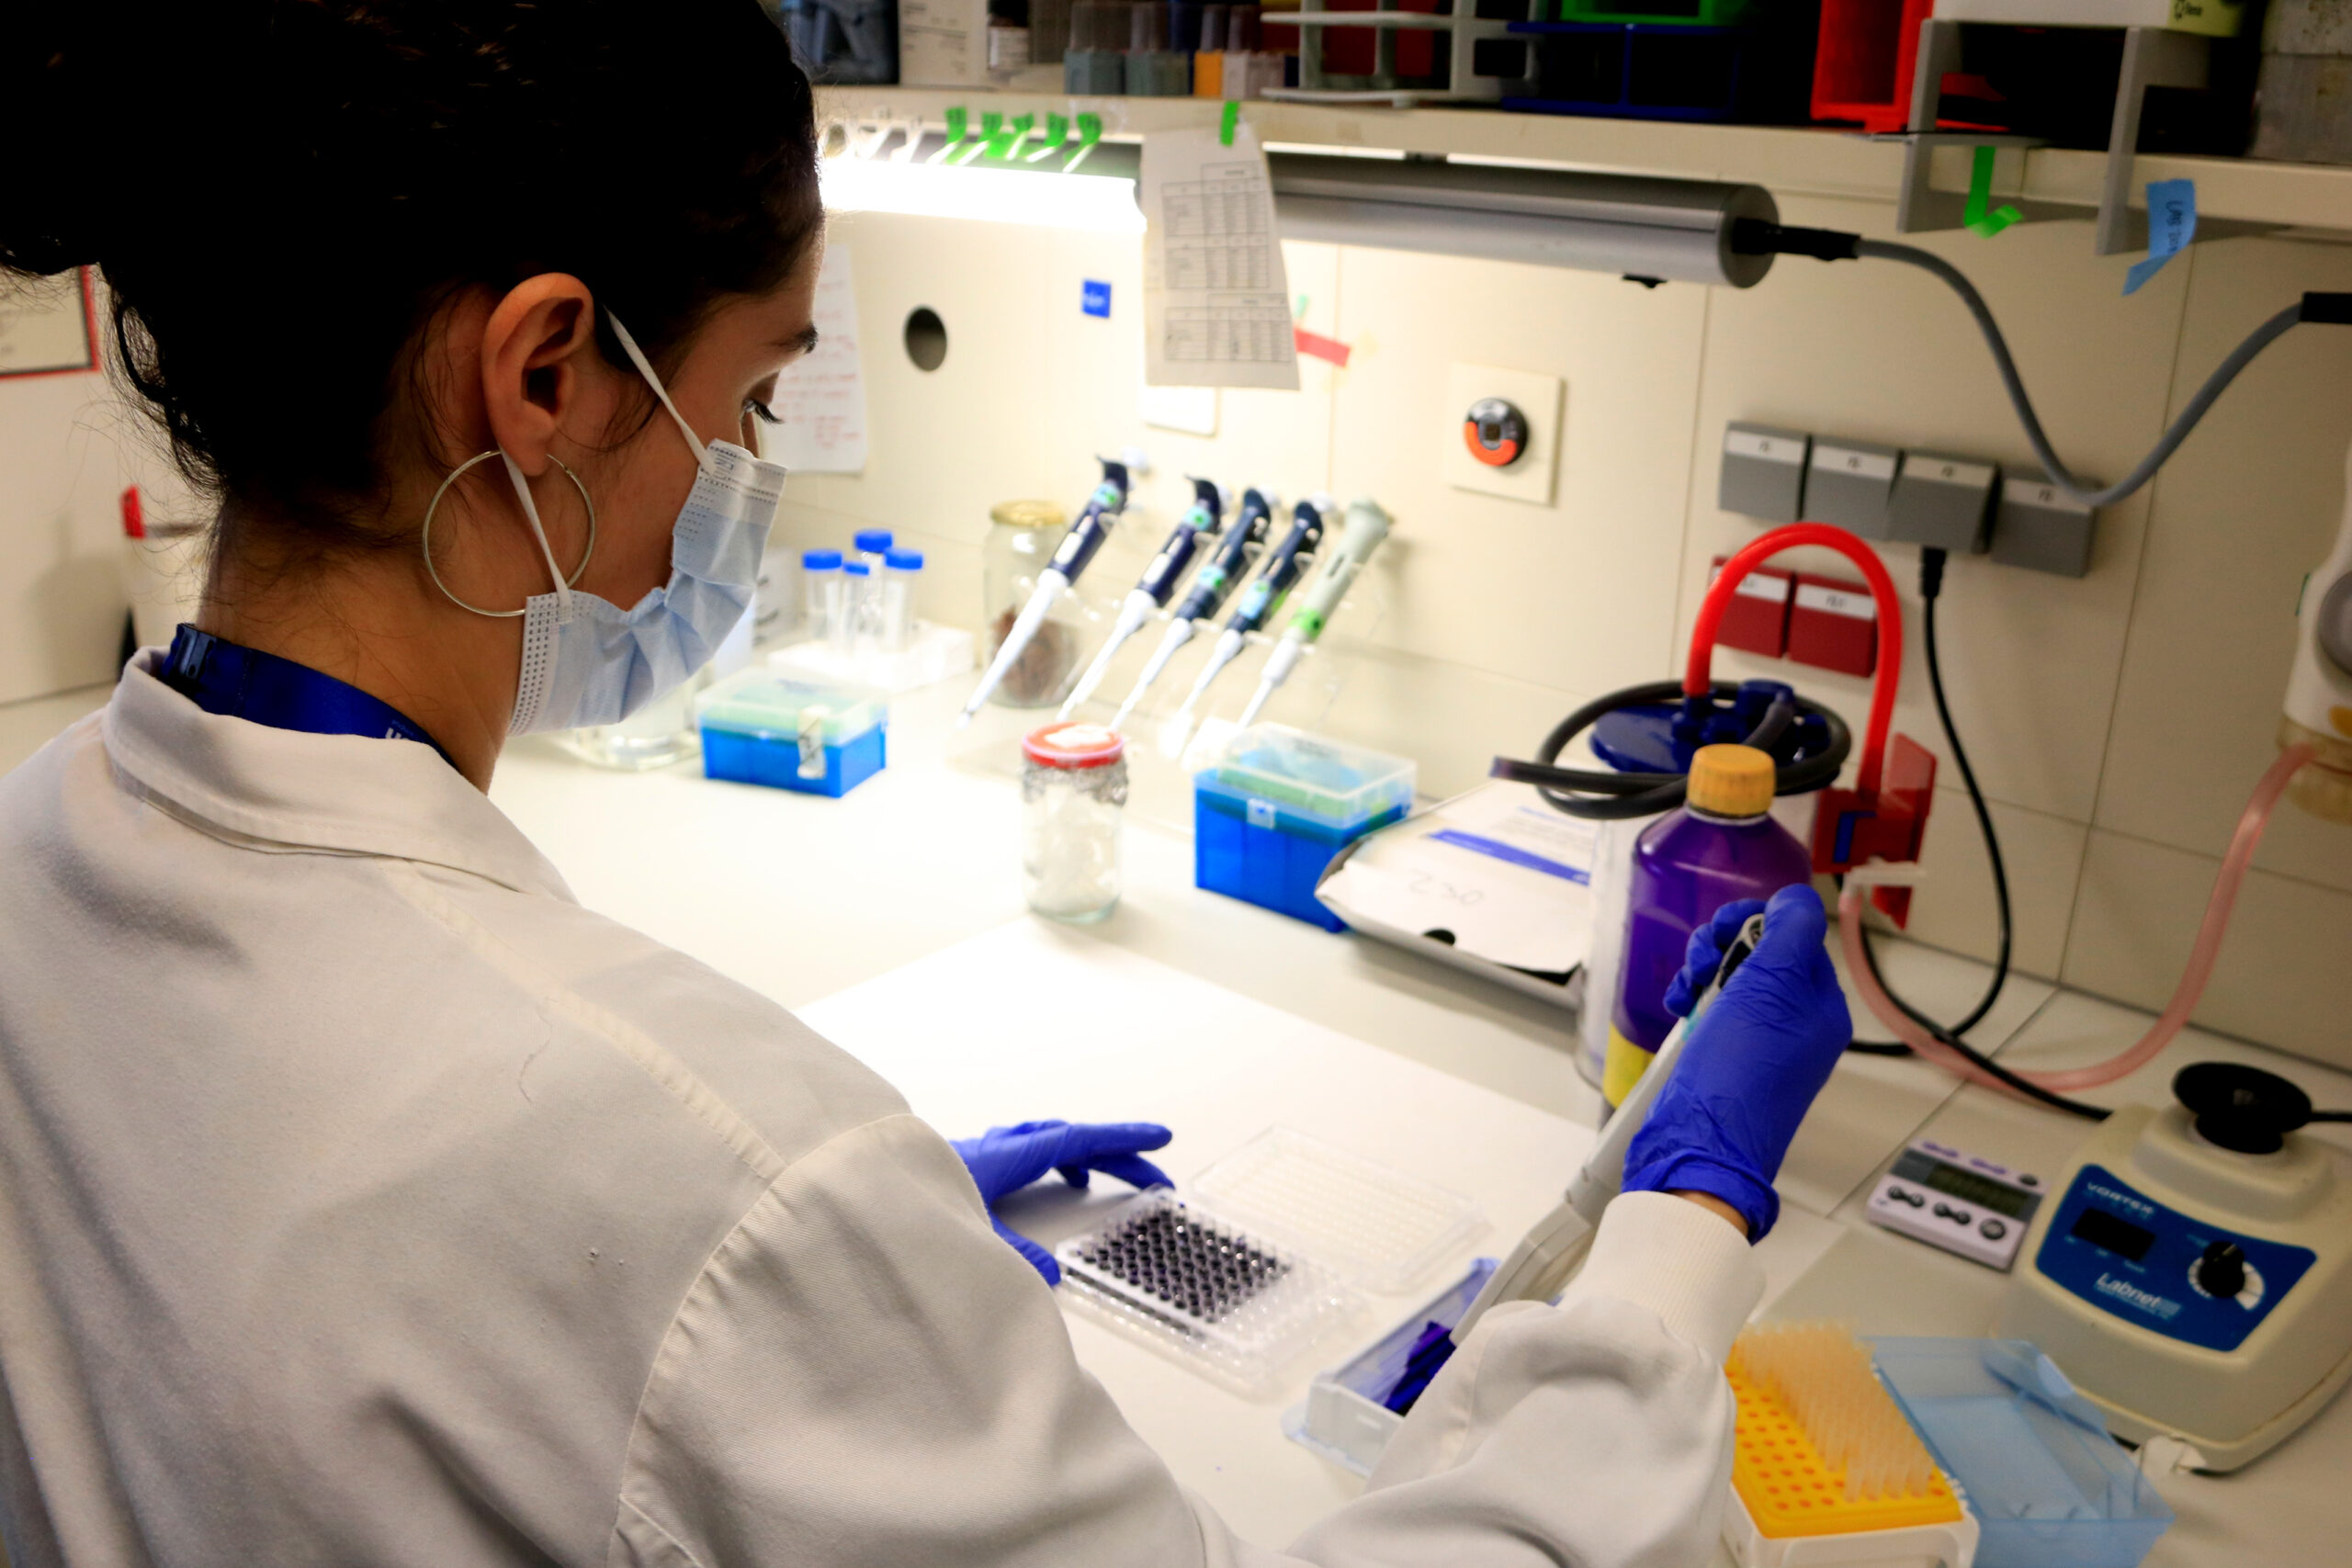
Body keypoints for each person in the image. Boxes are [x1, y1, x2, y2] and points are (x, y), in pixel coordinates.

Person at [0, 3, 1854, 1563]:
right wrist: (1675, 1235)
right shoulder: (703, 1163)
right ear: (547, 373)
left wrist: (836, 1295)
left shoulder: (29, 858)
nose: (739, 482)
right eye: (747, 402)